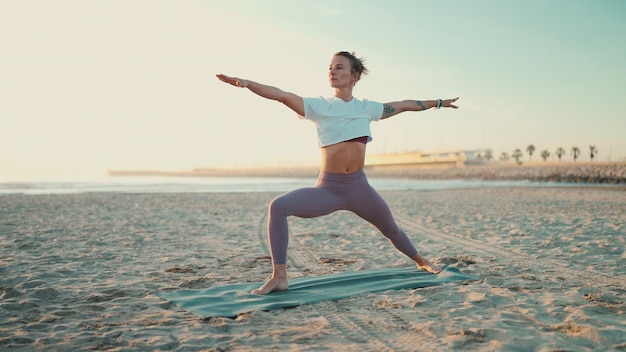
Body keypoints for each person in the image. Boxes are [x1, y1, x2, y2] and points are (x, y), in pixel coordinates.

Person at [216, 51, 459, 295]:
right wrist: (248, 84)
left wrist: (438, 103)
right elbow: (281, 95)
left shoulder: (368, 108)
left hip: (359, 188)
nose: (332, 71)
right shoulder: (319, 106)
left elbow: (406, 105)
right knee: (277, 207)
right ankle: (279, 276)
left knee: (391, 229)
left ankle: (421, 261)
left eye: (339, 67)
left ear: (354, 75)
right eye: (330, 67)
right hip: (329, 189)